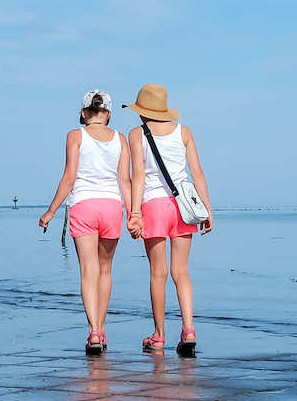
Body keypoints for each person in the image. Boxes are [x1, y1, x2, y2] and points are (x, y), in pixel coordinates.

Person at [38, 90, 133, 354]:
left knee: (88, 272)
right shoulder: (120, 139)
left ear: (83, 112)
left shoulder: (75, 136)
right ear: (109, 114)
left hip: (84, 206)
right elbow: (125, 181)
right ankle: (102, 329)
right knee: (105, 271)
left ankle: (93, 332)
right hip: (112, 207)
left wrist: (50, 212)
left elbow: (69, 178)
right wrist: (134, 213)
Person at [124, 83, 214, 356]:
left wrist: (135, 212)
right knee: (181, 271)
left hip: (153, 205)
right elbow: (196, 172)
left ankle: (159, 335)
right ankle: (188, 329)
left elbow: (138, 176)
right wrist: (207, 209)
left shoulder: (136, 134)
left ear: (141, 111)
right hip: (183, 207)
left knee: (157, 273)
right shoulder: (184, 132)